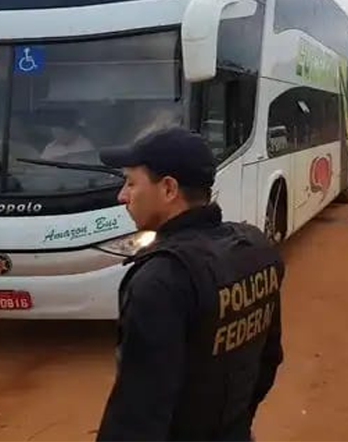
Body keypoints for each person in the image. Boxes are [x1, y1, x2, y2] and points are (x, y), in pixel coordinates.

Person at [95, 126, 285, 442]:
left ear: (169, 189)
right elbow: (268, 359)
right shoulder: (255, 248)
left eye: (131, 183)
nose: (122, 195)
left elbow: (138, 413)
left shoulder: (161, 279)